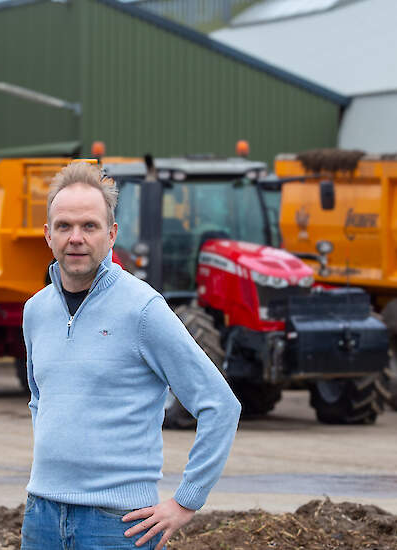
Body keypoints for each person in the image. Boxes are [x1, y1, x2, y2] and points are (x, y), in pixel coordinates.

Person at [21, 161, 241, 550]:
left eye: (89, 226)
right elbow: (40, 399)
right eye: (64, 226)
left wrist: (186, 501)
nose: (76, 237)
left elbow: (220, 405)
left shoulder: (142, 309)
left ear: (111, 234)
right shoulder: (36, 311)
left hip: (116, 525)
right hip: (41, 518)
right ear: (47, 235)